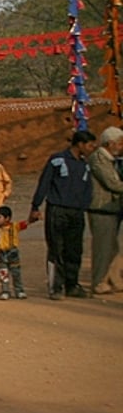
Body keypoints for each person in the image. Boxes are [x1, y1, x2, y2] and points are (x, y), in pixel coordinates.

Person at [29, 129, 96, 300]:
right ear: (80, 144)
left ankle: (72, 285)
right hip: (57, 211)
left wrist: (85, 206)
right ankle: (55, 287)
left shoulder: (85, 164)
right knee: (56, 250)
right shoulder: (57, 160)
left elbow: (88, 189)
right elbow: (44, 183)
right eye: (89, 145)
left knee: (75, 250)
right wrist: (35, 206)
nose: (91, 148)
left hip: (76, 212)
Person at [87, 125, 123, 295]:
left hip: (111, 209)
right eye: (120, 144)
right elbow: (112, 183)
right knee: (102, 249)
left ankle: (113, 280)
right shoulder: (99, 159)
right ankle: (99, 282)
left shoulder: (110, 160)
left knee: (113, 248)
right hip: (101, 209)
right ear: (110, 143)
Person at [0, 205, 29, 300]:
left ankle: (19, 290)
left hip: (12, 252)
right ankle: (5, 291)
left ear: (7, 218)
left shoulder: (14, 226)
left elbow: (26, 223)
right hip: (1, 253)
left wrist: (34, 218)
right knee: (3, 274)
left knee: (16, 273)